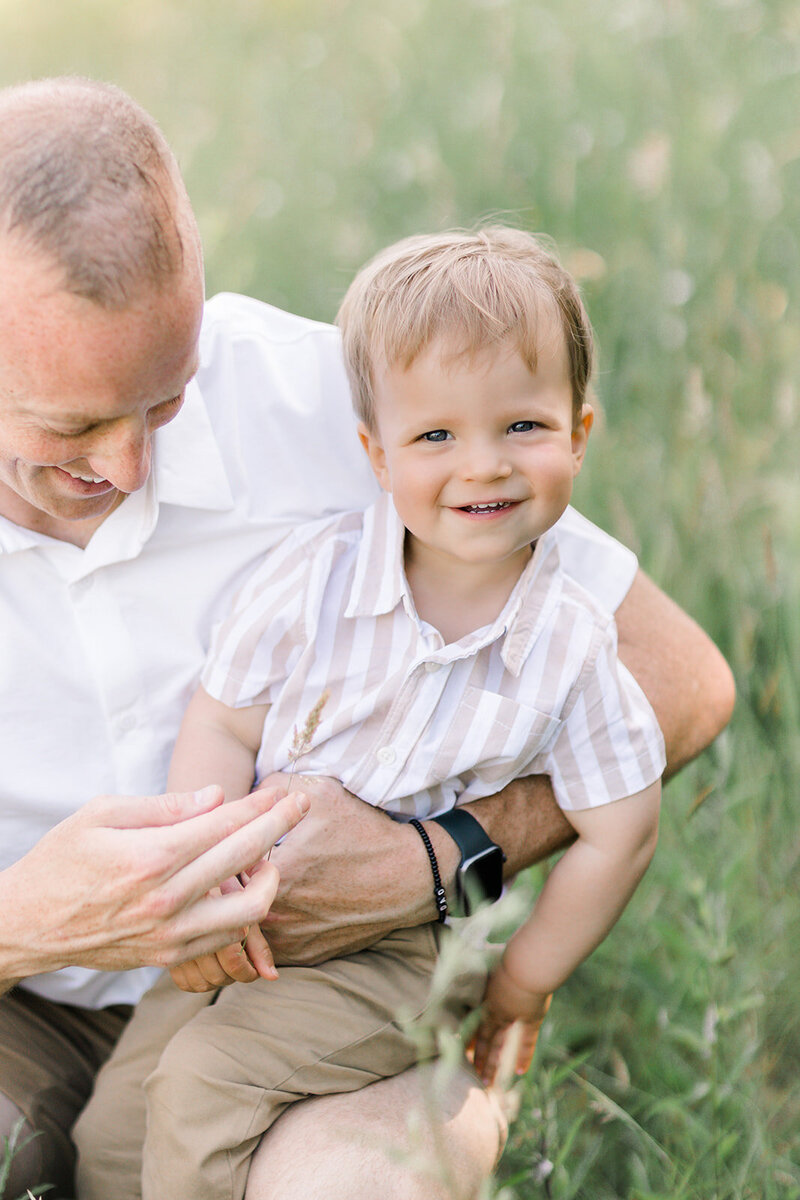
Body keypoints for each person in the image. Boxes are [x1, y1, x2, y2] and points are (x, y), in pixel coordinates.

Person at [0, 76, 734, 1200]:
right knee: (113, 1144)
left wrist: (437, 857)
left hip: (337, 979)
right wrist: (26, 922)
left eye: (166, 401)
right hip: (24, 1009)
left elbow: (679, 678)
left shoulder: (332, 404)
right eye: (74, 426)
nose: (133, 466)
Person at [76, 226, 666, 1200]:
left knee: (202, 1086)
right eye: (434, 436)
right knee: (114, 1125)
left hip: (398, 948)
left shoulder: (569, 643)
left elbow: (621, 826)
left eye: (520, 426)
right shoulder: (312, 583)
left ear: (578, 433)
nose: (481, 466)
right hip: (253, 917)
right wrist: (203, 875)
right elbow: (224, 721)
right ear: (375, 455)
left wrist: (521, 979)